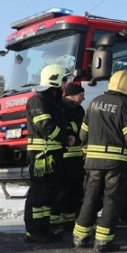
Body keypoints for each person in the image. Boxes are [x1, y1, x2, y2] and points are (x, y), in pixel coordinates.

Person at [72, 70, 127, 253]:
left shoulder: (94, 102)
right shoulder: (126, 105)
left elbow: (83, 133)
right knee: (111, 200)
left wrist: (86, 153)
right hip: (116, 164)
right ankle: (104, 241)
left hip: (93, 162)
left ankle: (80, 237)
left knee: (90, 197)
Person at [24, 65, 75, 243]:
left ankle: (43, 229)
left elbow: (61, 123)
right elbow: (45, 127)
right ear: (54, 79)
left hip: (54, 154)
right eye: (64, 80)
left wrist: (69, 134)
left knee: (49, 193)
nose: (66, 84)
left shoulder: (54, 101)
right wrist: (64, 138)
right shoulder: (38, 100)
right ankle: (34, 231)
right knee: (39, 194)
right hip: (41, 155)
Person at [53, 82, 86, 233]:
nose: (83, 98)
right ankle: (57, 222)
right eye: (81, 95)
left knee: (76, 190)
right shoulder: (61, 107)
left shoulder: (79, 109)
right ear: (71, 96)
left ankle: (70, 221)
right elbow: (67, 127)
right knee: (63, 190)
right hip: (65, 156)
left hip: (77, 156)